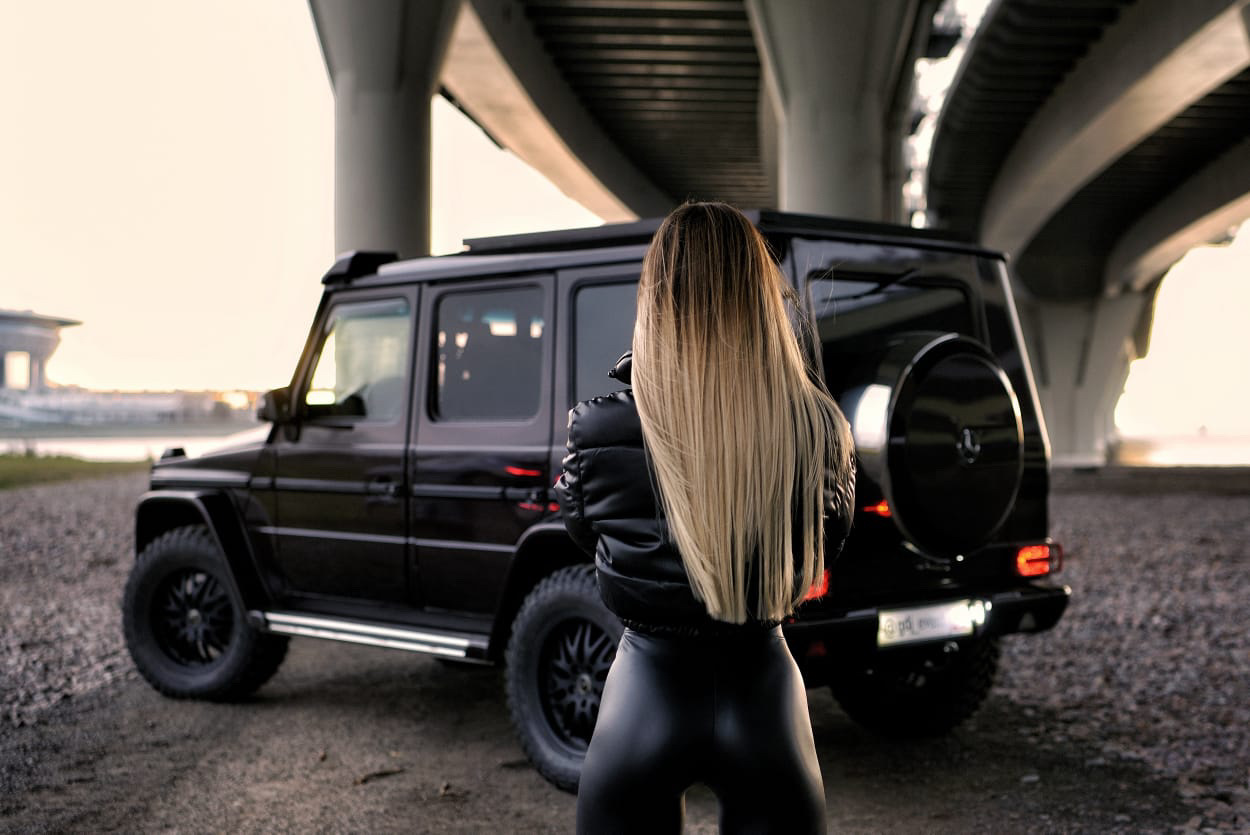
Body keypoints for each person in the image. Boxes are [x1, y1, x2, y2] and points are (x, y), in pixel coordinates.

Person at [555, 202, 856, 834]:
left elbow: (585, 531)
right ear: (762, 300)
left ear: (655, 300)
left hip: (645, 691)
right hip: (764, 695)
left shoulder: (600, 426)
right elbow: (827, 542)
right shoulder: (819, 428)